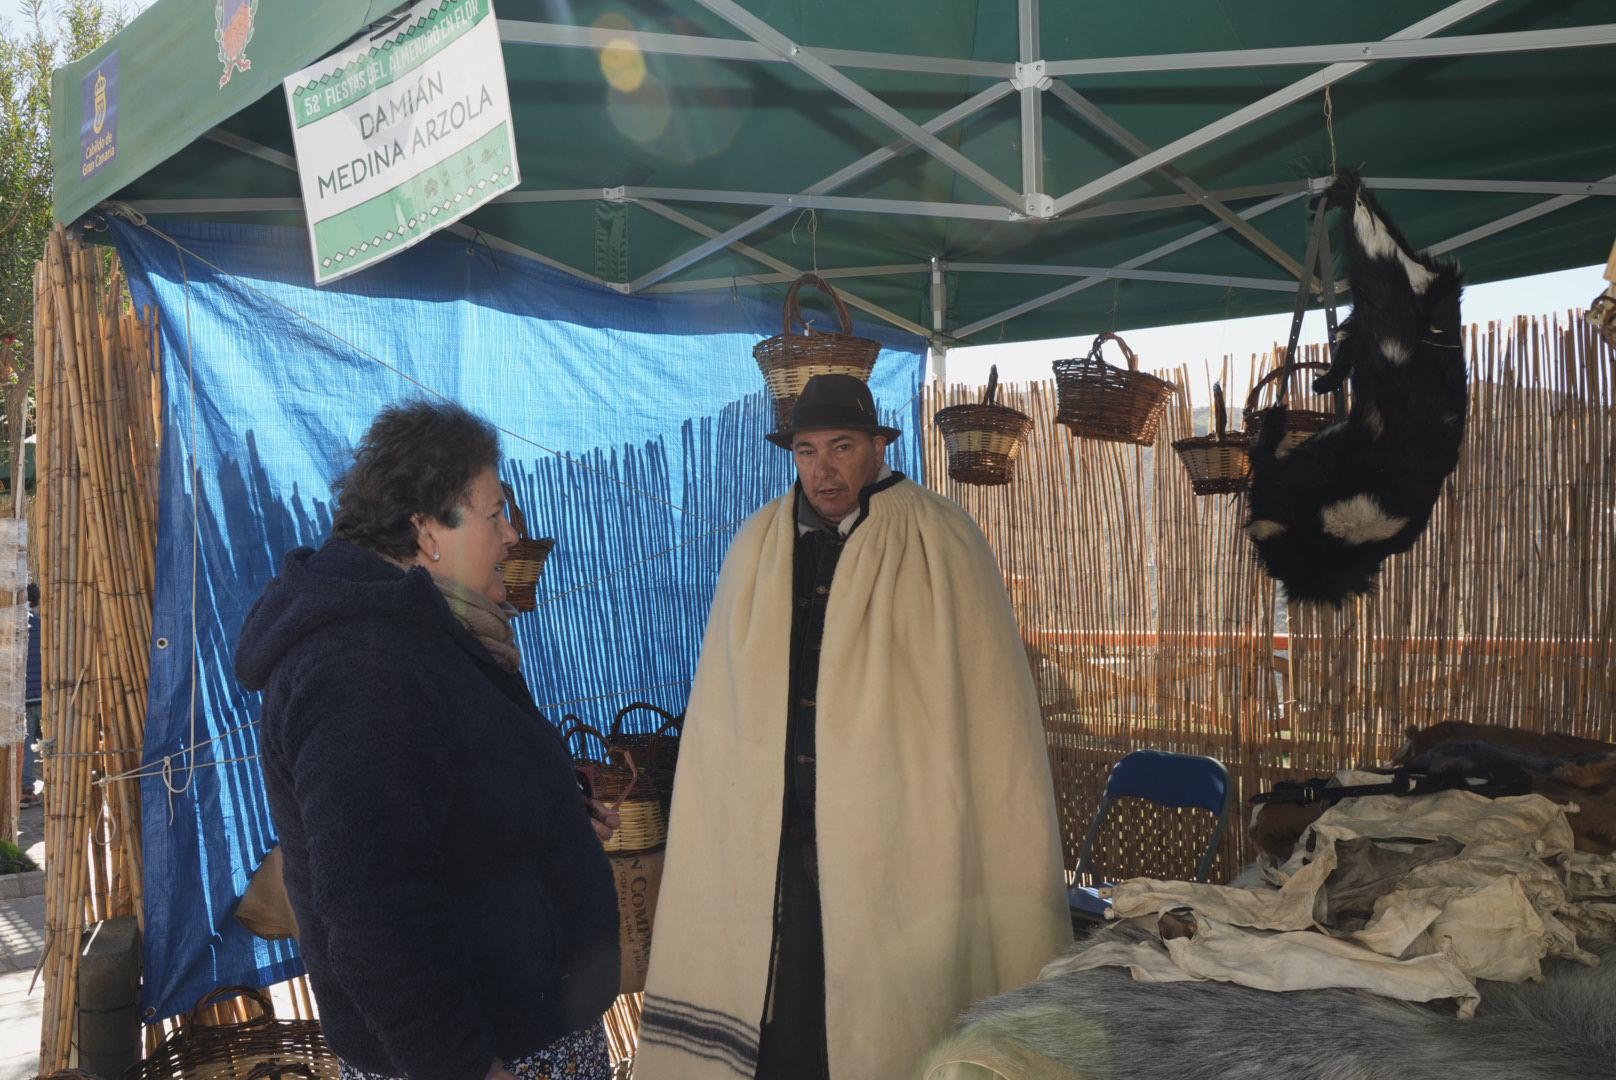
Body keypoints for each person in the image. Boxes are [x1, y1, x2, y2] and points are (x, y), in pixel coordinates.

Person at [637, 374, 1070, 1079]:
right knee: (783, 1019)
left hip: (899, 845)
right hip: (772, 843)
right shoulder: (757, 545)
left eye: (842, 447)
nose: (824, 469)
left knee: (889, 1016)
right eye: (807, 451)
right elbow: (726, 705)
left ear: (876, 447)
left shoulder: (941, 539)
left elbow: (987, 721)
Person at [235, 401, 621, 1080]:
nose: (510, 535)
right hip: (487, 1051)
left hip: (527, 1029)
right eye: (495, 512)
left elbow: (452, 797)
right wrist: (458, 1064)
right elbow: (371, 906)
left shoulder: (427, 635)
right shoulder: (362, 667)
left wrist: (561, 811)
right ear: (426, 530)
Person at [19, 582, 40, 808]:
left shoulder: (12, 627)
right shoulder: (42, 627)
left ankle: (24, 789)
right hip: (41, 697)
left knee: (22, 745)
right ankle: (28, 789)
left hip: (21, 698)